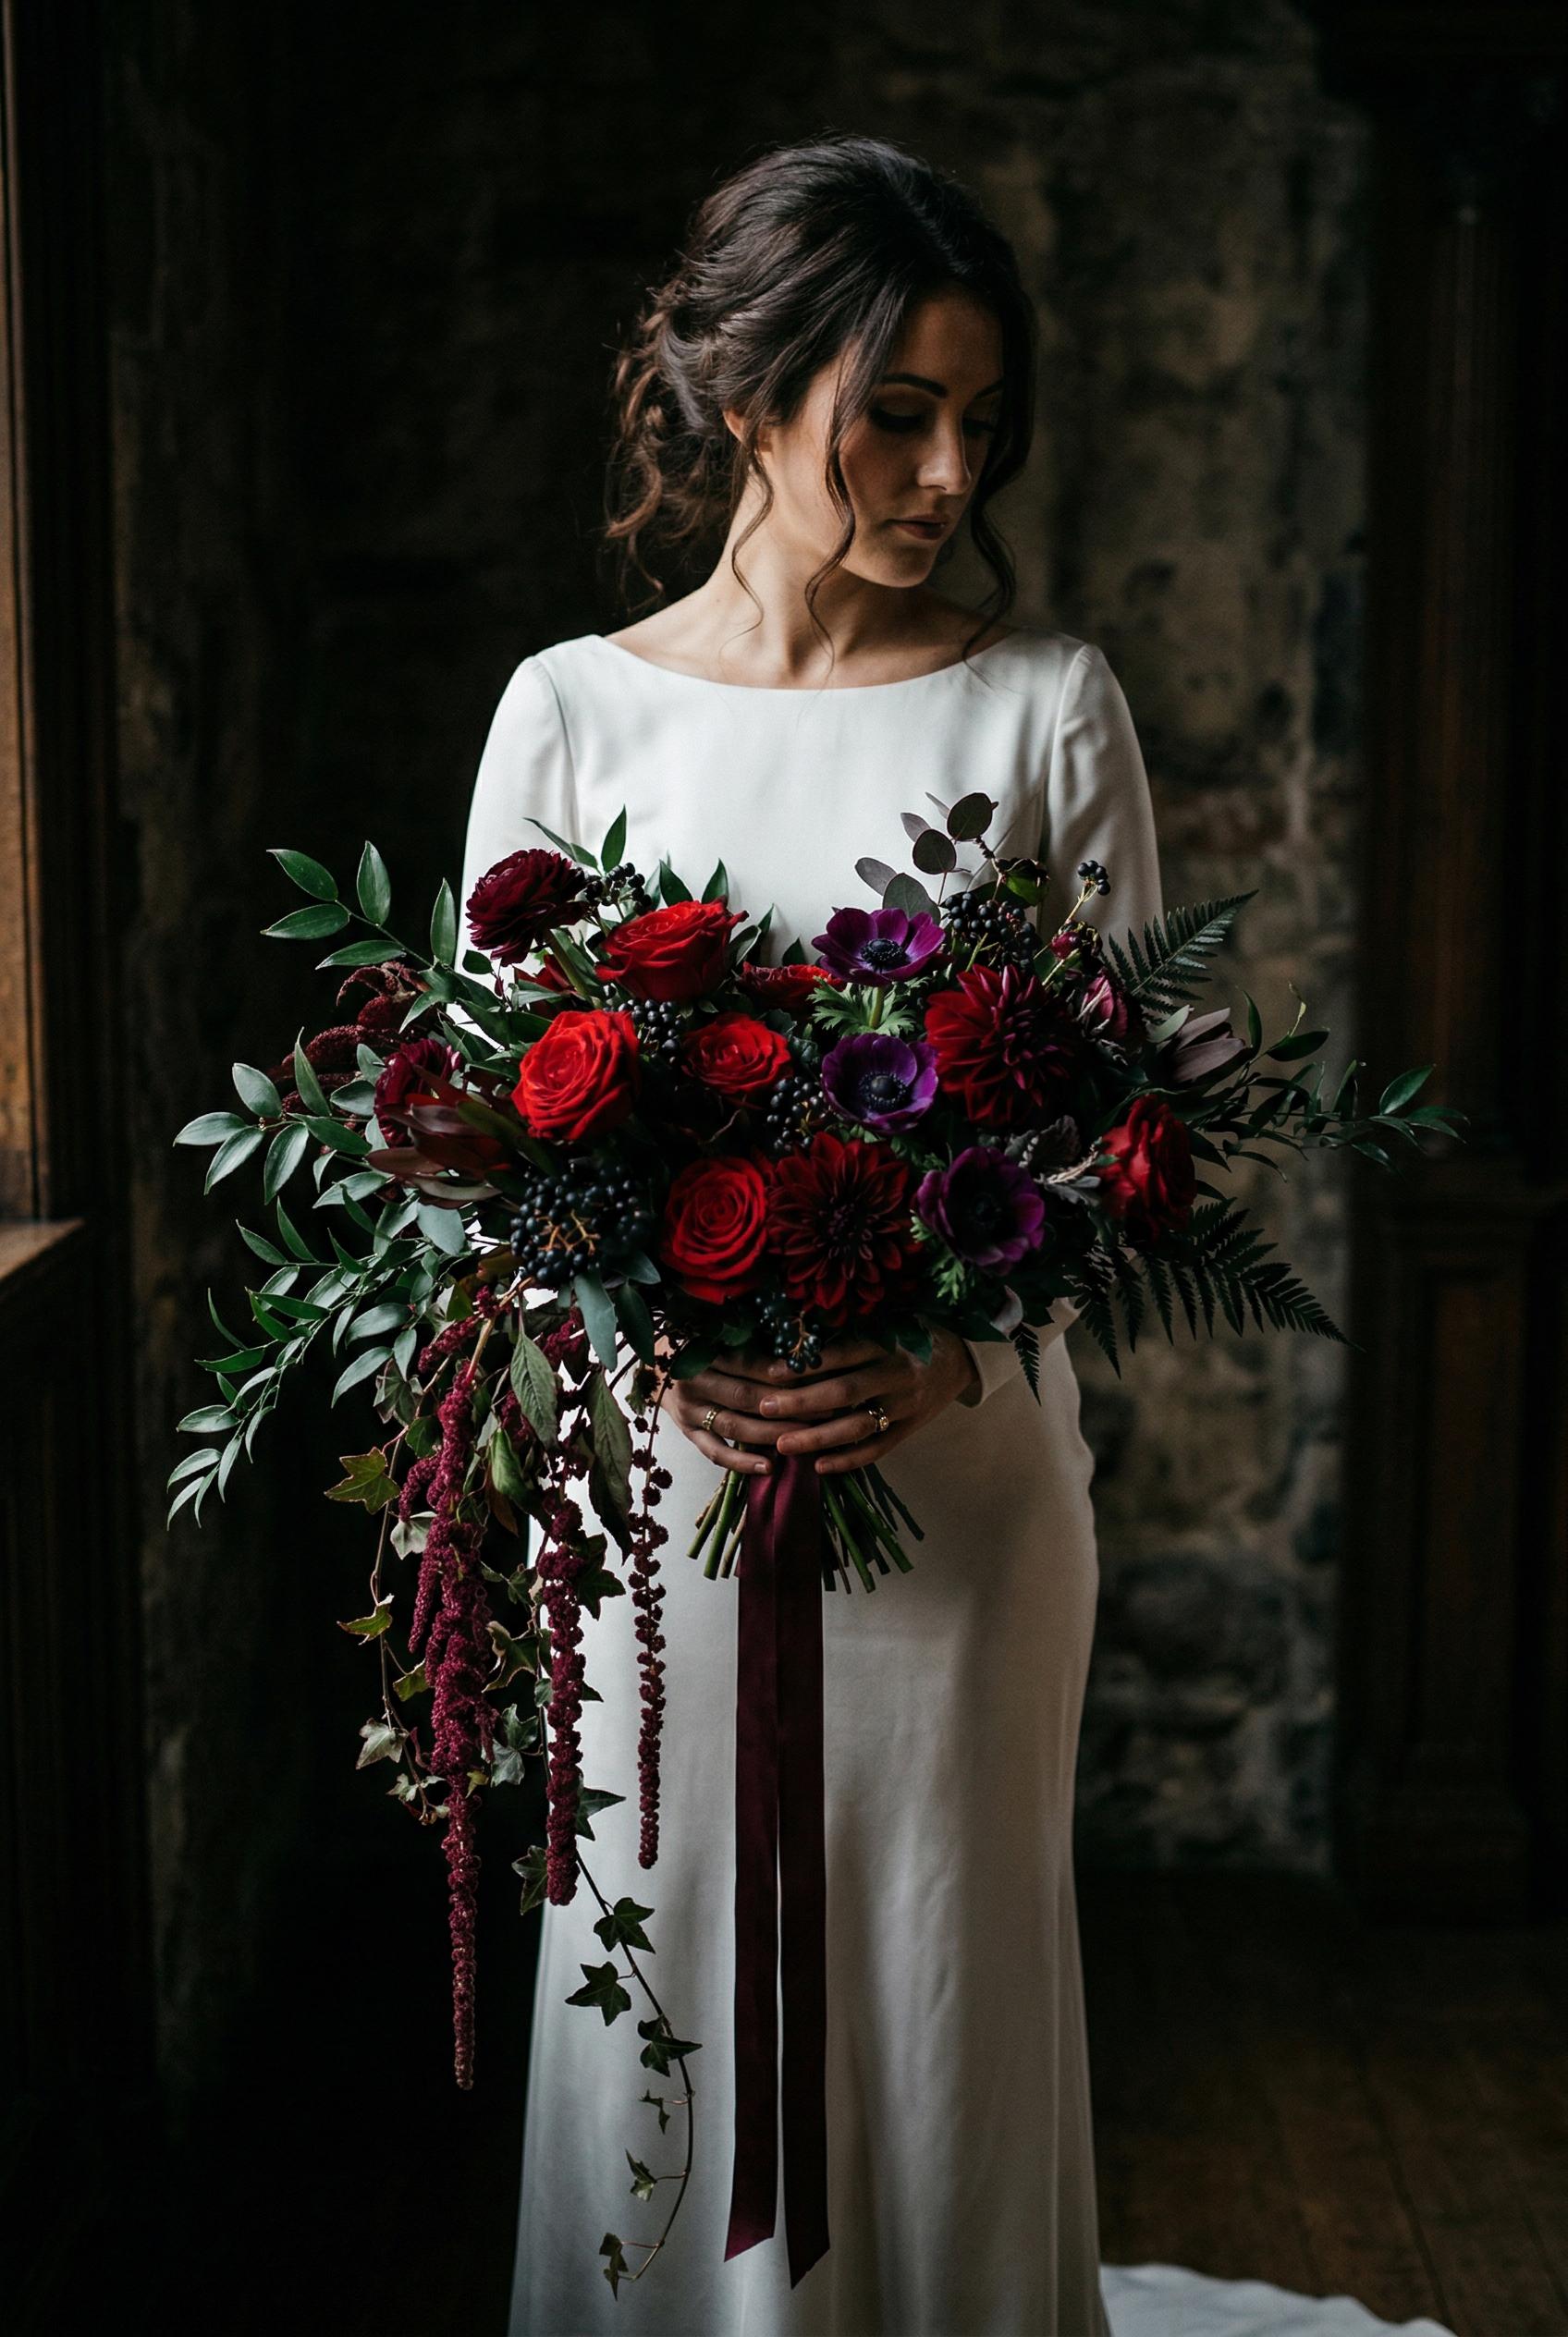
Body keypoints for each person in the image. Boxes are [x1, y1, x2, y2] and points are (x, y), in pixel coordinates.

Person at [459, 132, 1453, 2337]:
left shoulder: (1039, 702)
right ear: (749, 399)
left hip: (964, 1491)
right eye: (889, 412)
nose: (941, 468)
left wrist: (944, 1350)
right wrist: (660, 1345)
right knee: (659, 1968)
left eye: (974, 421)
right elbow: (495, 1168)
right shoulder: (573, 713)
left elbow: (1144, 1141)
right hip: (669, 1513)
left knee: (935, 1971)